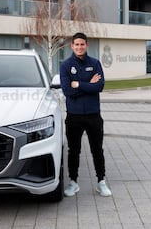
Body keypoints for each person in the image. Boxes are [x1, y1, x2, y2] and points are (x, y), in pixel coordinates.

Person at [60, 32, 112, 197]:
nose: (79, 47)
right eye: (77, 44)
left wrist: (79, 84)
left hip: (93, 115)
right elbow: (68, 91)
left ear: (87, 45)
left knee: (97, 149)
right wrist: (88, 84)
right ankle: (73, 182)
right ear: (72, 46)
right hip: (74, 116)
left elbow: (100, 87)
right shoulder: (66, 65)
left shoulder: (95, 63)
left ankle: (101, 182)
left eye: (82, 44)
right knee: (73, 150)